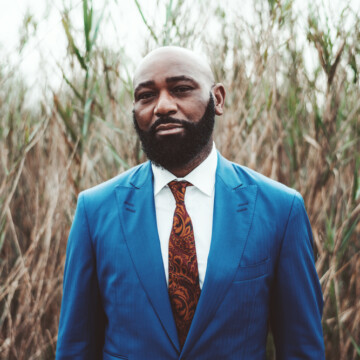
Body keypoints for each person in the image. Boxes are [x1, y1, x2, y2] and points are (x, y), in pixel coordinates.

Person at [56, 46, 325, 360]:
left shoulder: (280, 210)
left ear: (218, 99)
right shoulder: (95, 211)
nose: (163, 106)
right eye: (146, 96)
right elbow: (75, 348)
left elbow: (302, 349)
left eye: (181, 89)